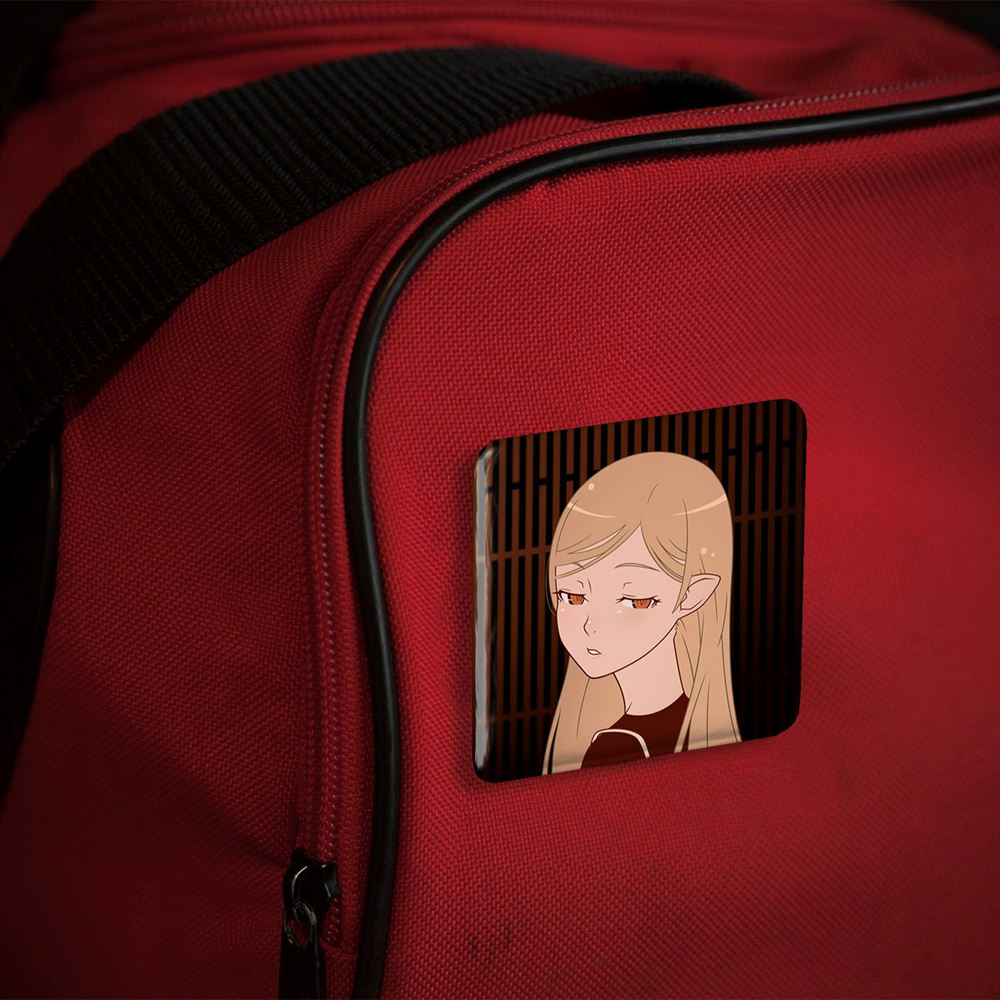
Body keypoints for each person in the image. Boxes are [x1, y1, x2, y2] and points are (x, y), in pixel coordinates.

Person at [541, 450, 741, 774]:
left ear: (692, 595)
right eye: (573, 596)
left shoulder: (620, 745)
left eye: (635, 600)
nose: (592, 625)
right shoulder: (695, 725)